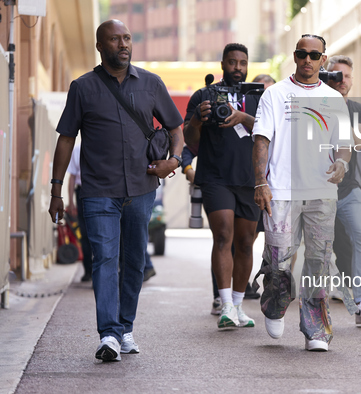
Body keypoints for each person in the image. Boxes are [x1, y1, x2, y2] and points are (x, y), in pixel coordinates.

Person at [49, 19, 184, 362]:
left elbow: (176, 126)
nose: (123, 44)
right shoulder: (83, 87)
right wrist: (56, 190)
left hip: (141, 188)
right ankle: (109, 333)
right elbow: (66, 139)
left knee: (135, 261)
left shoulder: (151, 83)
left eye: (126, 38)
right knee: (105, 259)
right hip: (98, 191)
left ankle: (126, 327)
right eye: (114, 39)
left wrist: (176, 160)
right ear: (100, 46)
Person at [252, 34, 354, 351]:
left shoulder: (333, 99)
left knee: (318, 262)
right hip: (281, 191)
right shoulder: (275, 94)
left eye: (314, 55)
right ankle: (275, 304)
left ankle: (316, 329)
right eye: (301, 53)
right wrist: (260, 182)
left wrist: (342, 163)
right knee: (278, 257)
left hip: (322, 191)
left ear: (324, 60)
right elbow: (261, 141)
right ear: (295, 57)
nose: (307, 59)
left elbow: (344, 146)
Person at [183, 43, 259, 329]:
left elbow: (272, 133)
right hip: (215, 177)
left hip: (250, 179)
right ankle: (225, 304)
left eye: (242, 62)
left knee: (246, 243)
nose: (237, 67)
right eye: (232, 62)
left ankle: (239, 306)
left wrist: (244, 118)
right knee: (223, 236)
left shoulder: (259, 96)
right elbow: (190, 140)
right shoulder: (204, 95)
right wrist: (196, 119)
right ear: (223, 64)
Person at [325, 55, 361, 324]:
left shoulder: (360, 110)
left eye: (346, 76)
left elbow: (359, 139)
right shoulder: (315, 104)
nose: (341, 81)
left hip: (348, 189)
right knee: (320, 248)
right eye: (336, 75)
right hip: (316, 189)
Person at [66, 144, 92, 282]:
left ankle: (104, 271)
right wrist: (70, 202)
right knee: (85, 233)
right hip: (82, 191)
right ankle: (88, 270)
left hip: (102, 190)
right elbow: (72, 176)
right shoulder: (77, 149)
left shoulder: (105, 143)